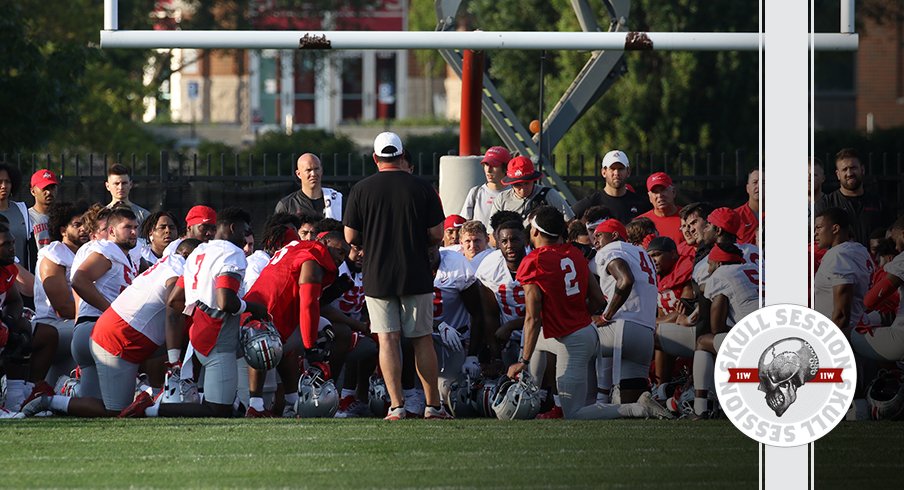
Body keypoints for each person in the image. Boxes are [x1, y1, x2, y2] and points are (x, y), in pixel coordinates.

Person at [506, 206, 671, 420]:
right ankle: (530, 392)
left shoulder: (534, 261)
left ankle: (637, 409)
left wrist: (524, 361)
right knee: (538, 340)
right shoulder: (574, 253)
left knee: (575, 412)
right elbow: (596, 299)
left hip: (574, 341)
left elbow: (532, 318)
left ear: (535, 231)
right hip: (590, 333)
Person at [21, 240, 202, 418]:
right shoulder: (178, 268)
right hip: (117, 338)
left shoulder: (169, 264)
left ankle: (157, 394)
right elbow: (173, 309)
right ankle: (47, 400)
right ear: (187, 255)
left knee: (93, 399)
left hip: (118, 332)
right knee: (115, 410)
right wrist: (174, 363)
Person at [343, 131, 451, 420]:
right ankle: (433, 406)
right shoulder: (422, 187)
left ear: (375, 158)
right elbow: (437, 233)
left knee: (387, 340)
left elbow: (351, 236)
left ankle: (396, 406)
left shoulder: (362, 189)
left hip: (377, 274)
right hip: (415, 271)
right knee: (422, 339)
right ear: (402, 155)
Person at [121, 207, 268, 418]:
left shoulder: (199, 251)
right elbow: (225, 301)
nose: (246, 239)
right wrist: (254, 308)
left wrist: (199, 312)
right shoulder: (231, 253)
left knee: (220, 400)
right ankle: (149, 409)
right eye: (244, 232)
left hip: (198, 335)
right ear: (233, 228)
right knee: (218, 409)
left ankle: (253, 406)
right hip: (218, 337)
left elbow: (174, 299)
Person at [242, 232, 351, 417]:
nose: (341, 259)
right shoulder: (313, 259)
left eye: (344, 255)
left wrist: (333, 291)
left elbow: (308, 298)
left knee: (285, 343)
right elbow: (309, 305)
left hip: (263, 311)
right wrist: (311, 350)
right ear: (324, 242)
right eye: (340, 251)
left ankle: (292, 403)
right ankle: (259, 405)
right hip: (262, 319)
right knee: (271, 342)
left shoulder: (298, 247)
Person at [68, 207, 142, 403]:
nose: (134, 232)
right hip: (100, 331)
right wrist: (111, 312)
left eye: (136, 227)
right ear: (111, 232)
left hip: (87, 331)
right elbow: (79, 280)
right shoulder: (108, 250)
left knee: (93, 406)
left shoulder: (125, 256)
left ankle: (51, 400)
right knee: (118, 407)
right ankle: (159, 389)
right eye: (127, 227)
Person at [591, 218, 660, 404]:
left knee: (571, 339)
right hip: (646, 332)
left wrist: (606, 315)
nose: (594, 240)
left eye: (598, 235)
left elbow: (625, 280)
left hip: (622, 327)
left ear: (613, 235)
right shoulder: (641, 253)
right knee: (631, 406)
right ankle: (605, 399)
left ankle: (573, 401)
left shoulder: (610, 249)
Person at [26, 202, 90, 396]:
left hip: (72, 325)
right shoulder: (54, 254)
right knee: (96, 330)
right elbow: (63, 307)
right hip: (54, 325)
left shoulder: (87, 253)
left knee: (56, 389)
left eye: (86, 224)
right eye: (78, 224)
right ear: (63, 229)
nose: (84, 229)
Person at [690, 243, 760, 418]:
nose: (708, 268)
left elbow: (717, 328)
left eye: (710, 264)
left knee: (703, 342)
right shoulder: (755, 268)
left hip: (756, 340)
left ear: (719, 264)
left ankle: (701, 408)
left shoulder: (721, 275)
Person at [853, 215, 904, 362]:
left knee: (851, 334)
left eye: (894, 241)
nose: (895, 247)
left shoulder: (900, 260)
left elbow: (870, 301)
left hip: (900, 338)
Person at [815, 148, 890, 247]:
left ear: (862, 170)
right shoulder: (825, 204)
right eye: (844, 169)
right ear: (838, 174)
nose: (849, 173)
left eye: (853, 168)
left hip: (871, 262)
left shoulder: (879, 203)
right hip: (838, 261)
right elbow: (816, 242)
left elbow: (889, 237)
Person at [813, 207, 872, 330]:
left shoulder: (838, 254)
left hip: (841, 332)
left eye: (818, 227)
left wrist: (831, 344)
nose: (815, 233)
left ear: (835, 228)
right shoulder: (860, 249)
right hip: (858, 325)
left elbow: (842, 315)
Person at [491, 156, 574, 226]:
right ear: (511, 184)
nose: (523, 189)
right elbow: (492, 235)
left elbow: (571, 222)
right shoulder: (501, 199)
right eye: (517, 184)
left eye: (527, 183)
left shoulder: (549, 195)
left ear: (533, 180)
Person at [571, 150, 651, 224]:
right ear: (603, 172)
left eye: (620, 169)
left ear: (628, 172)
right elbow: (568, 218)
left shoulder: (641, 204)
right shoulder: (592, 202)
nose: (616, 173)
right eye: (612, 168)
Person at [274, 153, 343, 220]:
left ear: (321, 170)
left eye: (316, 169)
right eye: (308, 170)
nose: (313, 174)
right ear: (298, 174)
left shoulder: (337, 200)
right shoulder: (287, 205)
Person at [460, 146, 512, 226]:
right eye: (486, 165)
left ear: (506, 168)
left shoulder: (514, 193)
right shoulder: (475, 192)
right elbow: (465, 225)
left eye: (494, 165)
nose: (488, 170)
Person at [0, 162, 34, 271]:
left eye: (8, 182)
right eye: (0, 182)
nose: (4, 186)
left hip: (23, 275)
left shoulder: (21, 209)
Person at [638, 172, 683, 244]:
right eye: (655, 192)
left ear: (673, 192)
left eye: (663, 190)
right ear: (650, 197)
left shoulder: (687, 218)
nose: (660, 195)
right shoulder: (640, 223)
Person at [28, 169, 59, 251]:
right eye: (44, 188)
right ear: (33, 191)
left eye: (52, 187)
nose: (48, 192)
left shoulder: (62, 216)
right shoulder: (26, 217)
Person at [734, 169, 760, 245]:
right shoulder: (735, 216)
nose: (759, 186)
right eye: (755, 182)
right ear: (747, 188)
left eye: (763, 183)